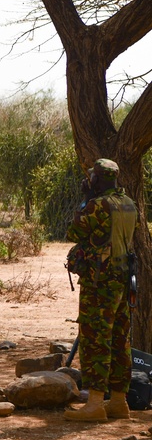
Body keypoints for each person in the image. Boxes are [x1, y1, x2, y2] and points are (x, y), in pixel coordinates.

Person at [64, 158, 138, 422]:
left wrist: (86, 197)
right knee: (120, 340)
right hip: (123, 278)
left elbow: (74, 230)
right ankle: (119, 401)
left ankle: (94, 403)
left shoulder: (97, 205)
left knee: (96, 338)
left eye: (92, 177)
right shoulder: (129, 203)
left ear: (97, 180)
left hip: (100, 282)